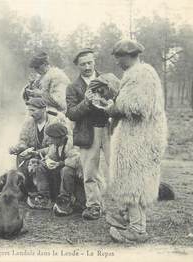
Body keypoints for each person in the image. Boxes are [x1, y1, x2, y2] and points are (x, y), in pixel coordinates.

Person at [95, 39, 168, 243]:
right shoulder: (136, 74)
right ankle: (129, 218)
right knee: (131, 179)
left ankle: (137, 229)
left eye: (119, 57)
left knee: (134, 182)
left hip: (140, 139)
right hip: (137, 135)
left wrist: (113, 108)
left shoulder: (141, 74)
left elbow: (138, 106)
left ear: (130, 55)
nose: (117, 61)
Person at [65, 48, 113, 220]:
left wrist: (109, 100)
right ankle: (94, 207)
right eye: (83, 64)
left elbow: (118, 99)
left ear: (95, 61)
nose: (87, 66)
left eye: (89, 62)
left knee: (116, 167)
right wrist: (86, 102)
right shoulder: (72, 87)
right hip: (87, 132)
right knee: (89, 172)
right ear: (78, 66)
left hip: (109, 130)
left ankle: (124, 206)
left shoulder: (107, 80)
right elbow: (70, 113)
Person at [7, 98, 59, 209]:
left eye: (33, 110)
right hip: (33, 155)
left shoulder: (55, 122)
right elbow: (23, 140)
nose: (30, 113)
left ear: (44, 109)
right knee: (20, 157)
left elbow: (56, 146)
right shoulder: (28, 122)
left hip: (51, 157)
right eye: (29, 110)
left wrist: (37, 153)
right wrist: (18, 148)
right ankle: (25, 190)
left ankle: (44, 196)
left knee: (38, 166)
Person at [23, 52, 71, 120]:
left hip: (57, 115)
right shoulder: (40, 77)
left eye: (37, 67)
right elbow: (28, 100)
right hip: (41, 114)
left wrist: (40, 94)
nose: (35, 70)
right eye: (34, 68)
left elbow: (61, 103)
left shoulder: (57, 76)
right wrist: (30, 86)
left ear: (45, 64)